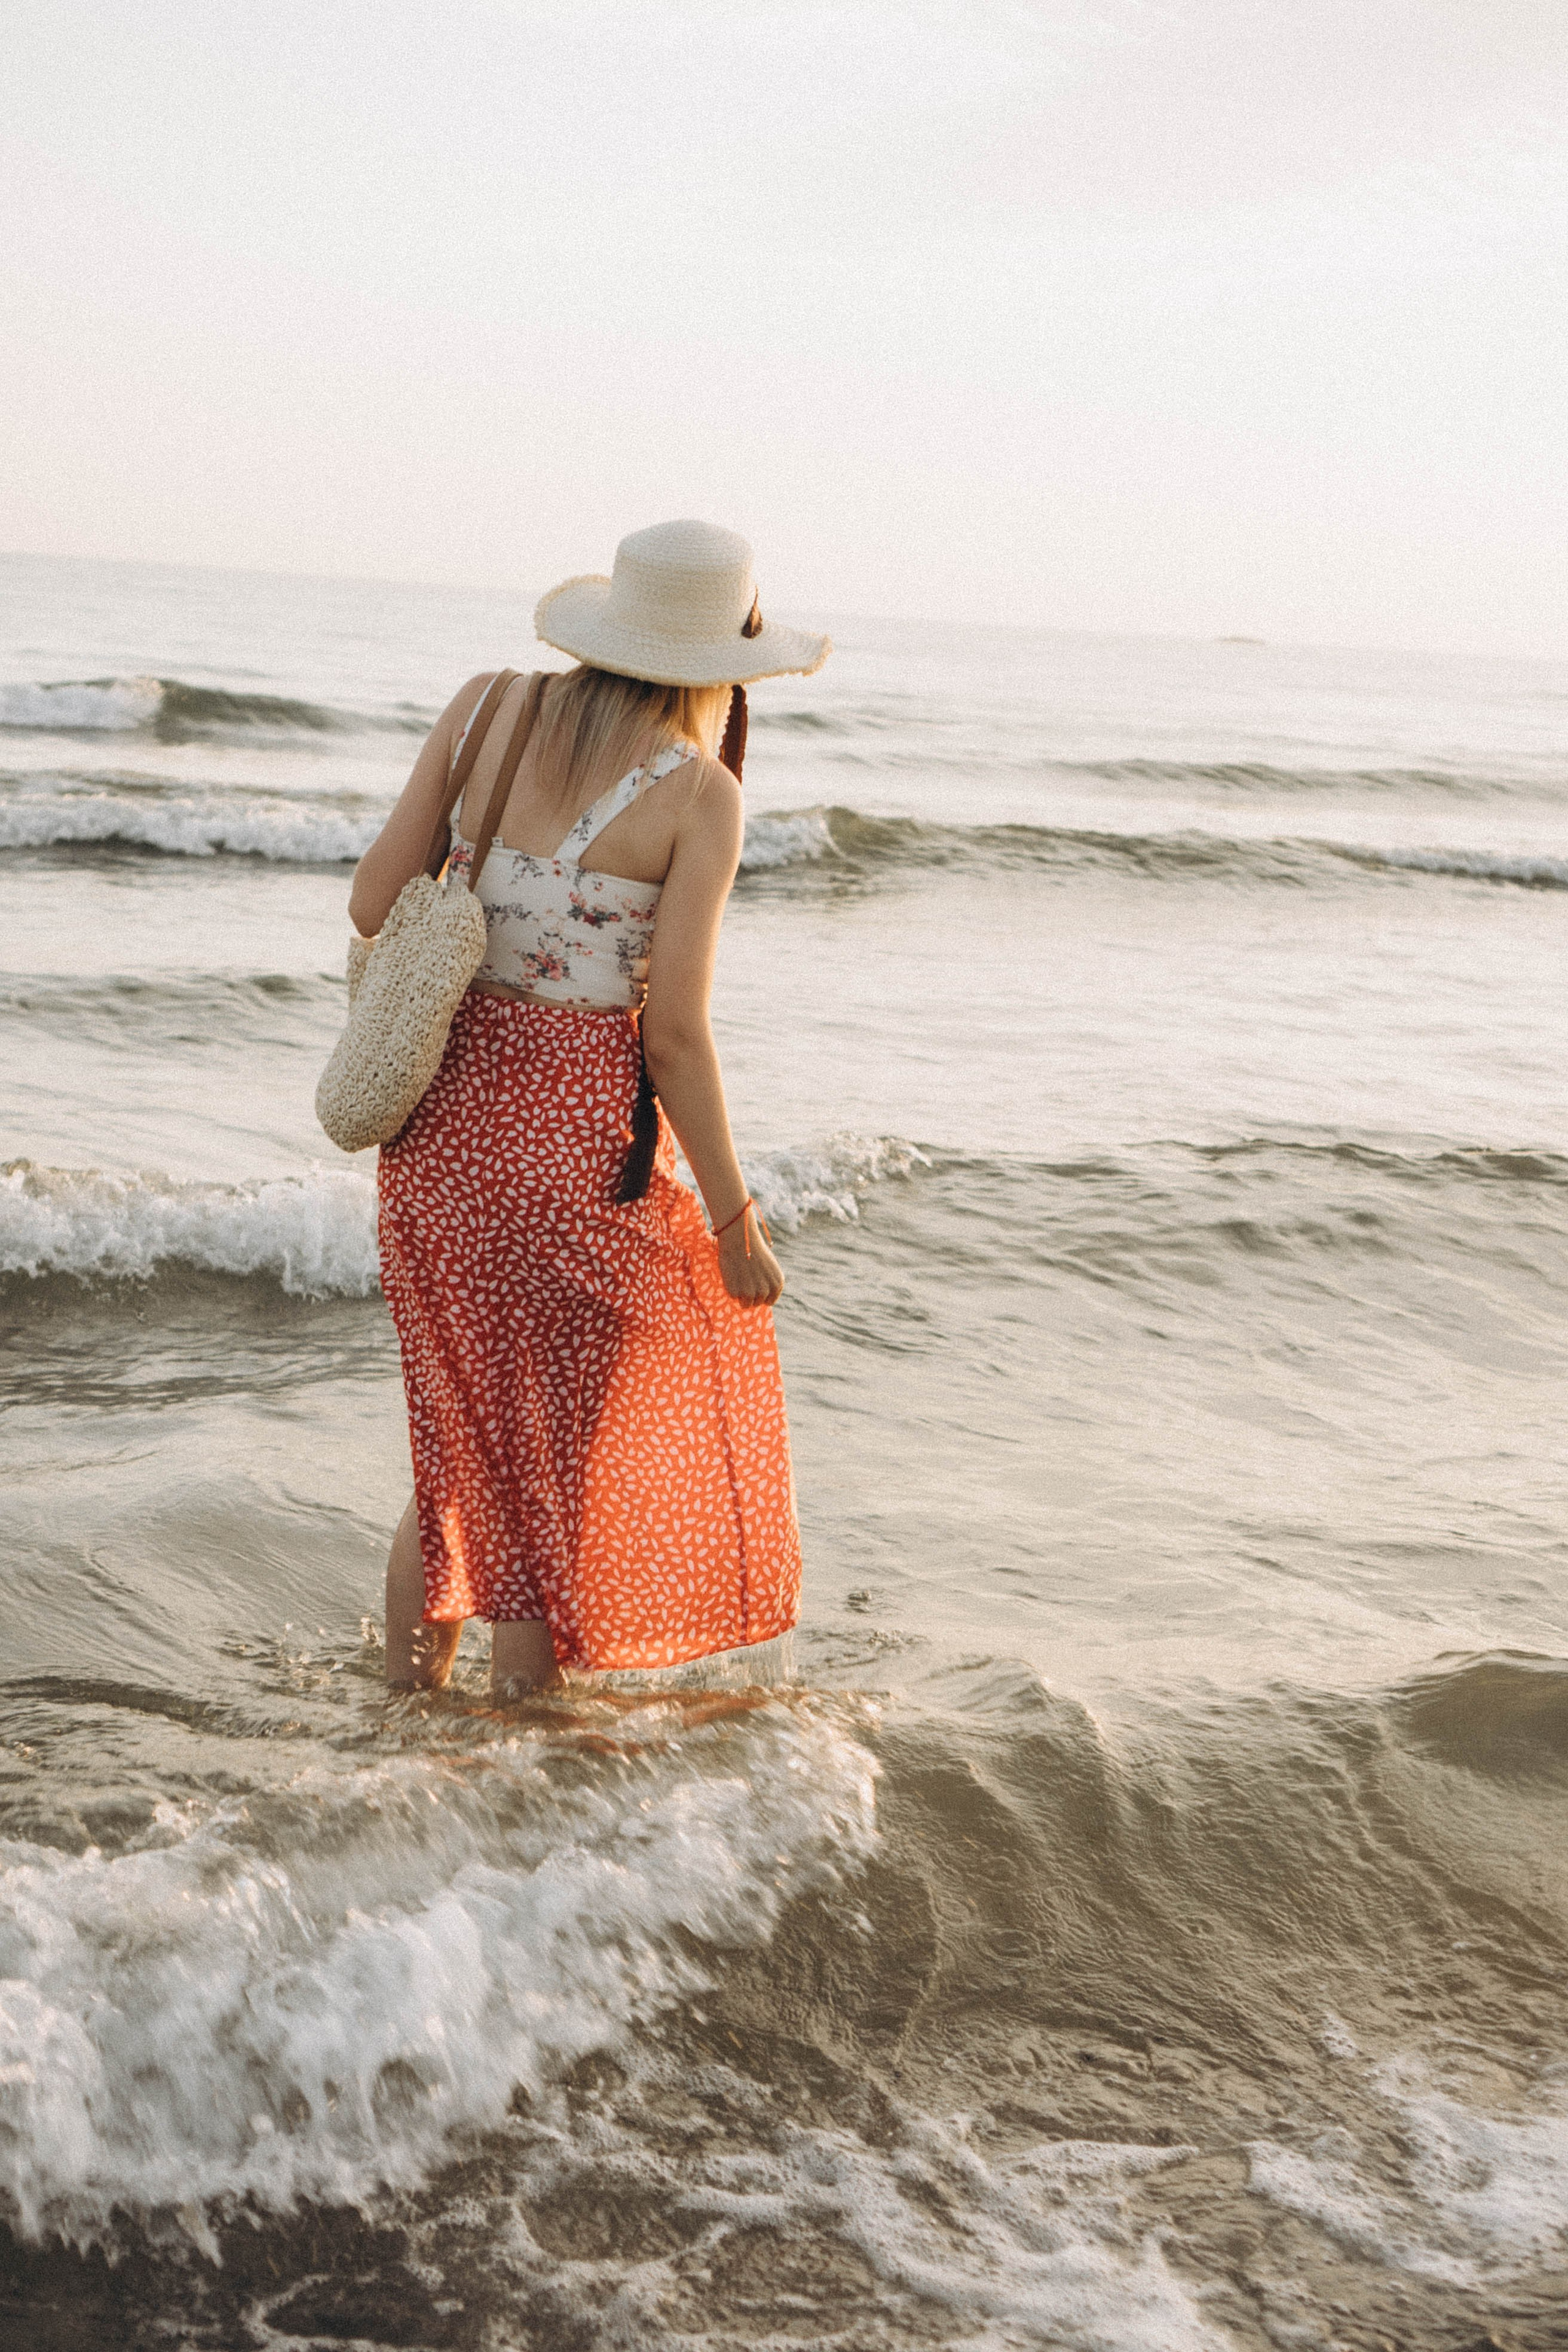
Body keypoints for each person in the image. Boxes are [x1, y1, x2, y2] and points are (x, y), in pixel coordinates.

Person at [347, 519, 831, 1696]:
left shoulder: (484, 709)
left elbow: (372, 904)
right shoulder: (701, 795)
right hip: (575, 1153)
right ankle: (524, 1758)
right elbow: (674, 1038)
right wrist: (734, 1220)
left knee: (456, 1460)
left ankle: (407, 1721)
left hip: (436, 1144)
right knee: (548, 1478)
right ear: (722, 660)